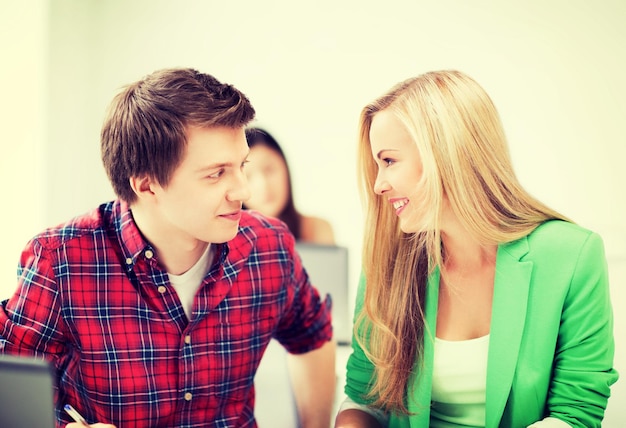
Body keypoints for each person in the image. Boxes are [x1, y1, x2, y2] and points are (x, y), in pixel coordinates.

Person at [0, 67, 336, 428]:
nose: (244, 190)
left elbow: (313, 335)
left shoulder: (270, 246)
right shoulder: (60, 261)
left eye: (242, 165)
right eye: (216, 173)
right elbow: (10, 395)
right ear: (147, 186)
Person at [334, 70, 618, 427]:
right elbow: (363, 400)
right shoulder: (389, 260)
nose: (378, 185)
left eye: (389, 161)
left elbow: (576, 414)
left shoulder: (573, 256)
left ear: (446, 154)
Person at [243, 127, 336, 245]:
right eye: (248, 176)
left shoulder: (316, 229)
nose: (263, 185)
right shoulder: (226, 242)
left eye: (269, 169)